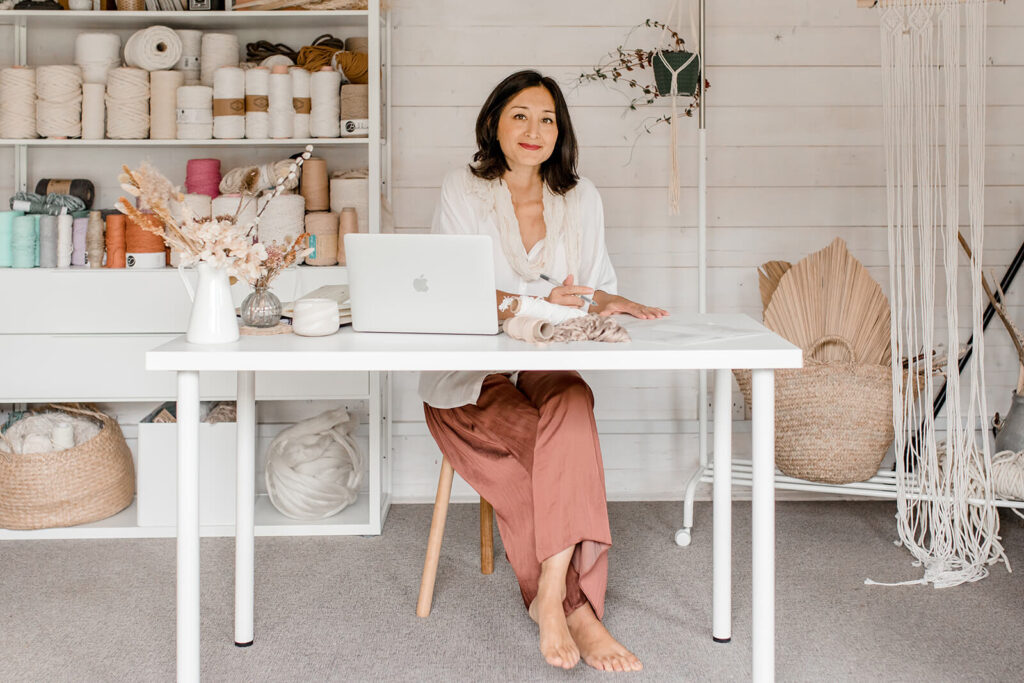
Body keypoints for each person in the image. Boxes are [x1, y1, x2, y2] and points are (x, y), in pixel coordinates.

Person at [419, 70, 668, 672]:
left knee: (573, 405)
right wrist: (538, 302)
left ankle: (551, 595)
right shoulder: (463, 188)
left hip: (544, 358)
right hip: (470, 375)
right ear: (495, 123)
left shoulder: (580, 197)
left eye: (549, 119)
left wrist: (613, 302)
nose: (536, 130)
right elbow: (453, 293)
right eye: (521, 115)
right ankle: (575, 610)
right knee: (560, 451)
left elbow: (590, 290)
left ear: (562, 132)